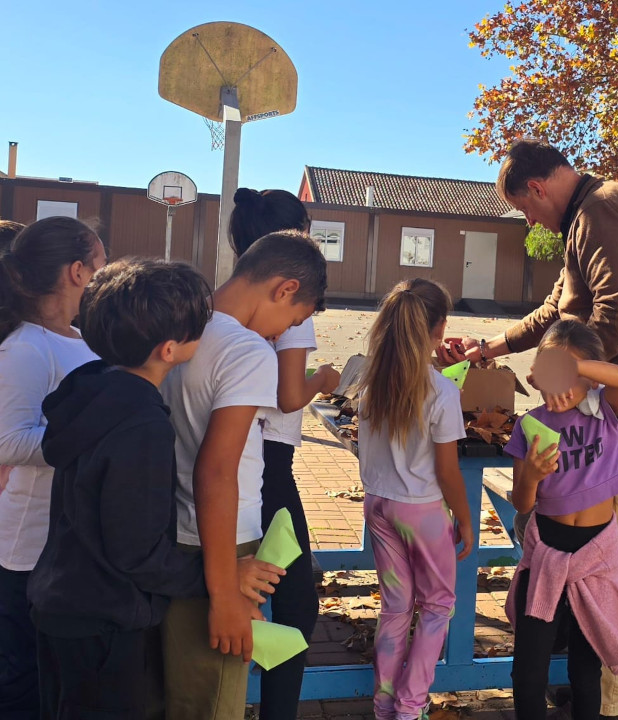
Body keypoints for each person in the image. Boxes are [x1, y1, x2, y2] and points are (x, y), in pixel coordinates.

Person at [440, 138, 618, 720]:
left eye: (526, 209)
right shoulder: (587, 218)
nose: (531, 222)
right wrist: (491, 348)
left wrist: (573, 384)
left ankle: (614, 704)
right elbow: (556, 312)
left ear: (537, 188)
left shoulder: (599, 211)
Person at [28, 258, 211, 718]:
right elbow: (137, 552)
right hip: (104, 618)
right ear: (169, 350)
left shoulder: (92, 391)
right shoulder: (142, 425)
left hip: (62, 600)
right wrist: (217, 578)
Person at [159, 230, 328, 720]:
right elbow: (217, 471)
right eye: (289, 322)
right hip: (221, 545)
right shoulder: (247, 350)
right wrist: (225, 593)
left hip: (176, 534)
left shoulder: (180, 327)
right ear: (285, 289)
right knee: (211, 702)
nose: (279, 335)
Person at [0, 216, 106, 720]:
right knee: (15, 681)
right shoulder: (25, 346)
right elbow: (10, 443)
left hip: (63, 539)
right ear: (78, 271)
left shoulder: (78, 338)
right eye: (101, 263)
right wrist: (100, 436)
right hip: (27, 548)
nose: (104, 274)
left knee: (49, 680)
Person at [230, 188, 341, 719]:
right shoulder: (294, 305)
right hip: (268, 463)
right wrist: (323, 377)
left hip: (244, 462)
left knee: (244, 583)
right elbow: (287, 395)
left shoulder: (227, 297)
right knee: (294, 600)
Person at [504, 320, 618, 720]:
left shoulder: (604, 410)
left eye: (570, 376)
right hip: (547, 554)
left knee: (586, 667)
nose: (561, 389)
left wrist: (571, 369)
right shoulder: (530, 425)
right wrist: (530, 475)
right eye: (552, 377)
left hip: (596, 556)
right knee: (529, 668)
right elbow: (521, 502)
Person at [357, 278, 473, 720]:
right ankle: (410, 706)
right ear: (440, 328)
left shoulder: (372, 385)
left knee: (396, 607)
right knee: (438, 605)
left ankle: (384, 705)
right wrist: (463, 518)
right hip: (421, 510)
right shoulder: (442, 391)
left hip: (379, 504)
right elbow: (447, 471)